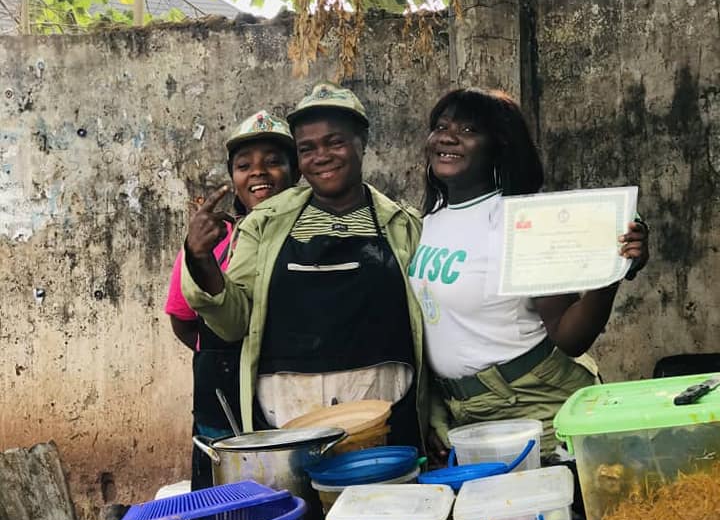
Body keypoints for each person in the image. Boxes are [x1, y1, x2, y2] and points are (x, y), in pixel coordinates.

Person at [409, 87, 649, 462]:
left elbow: (569, 337)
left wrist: (612, 272)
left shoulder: (522, 222)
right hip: (462, 412)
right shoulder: (424, 223)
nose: (447, 136)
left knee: (557, 516)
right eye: (440, 126)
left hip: (532, 399)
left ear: (499, 146)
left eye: (469, 130)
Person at [181, 83, 426, 448]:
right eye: (307, 148)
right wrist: (200, 260)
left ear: (362, 143)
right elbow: (234, 325)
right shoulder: (264, 225)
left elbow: (430, 325)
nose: (321, 156)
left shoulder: (402, 224)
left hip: (387, 414)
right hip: (288, 417)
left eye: (335, 142)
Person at [166, 110, 297, 488]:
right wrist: (227, 354)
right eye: (244, 165)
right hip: (221, 399)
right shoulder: (211, 238)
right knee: (225, 503)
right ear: (233, 178)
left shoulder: (308, 232)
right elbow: (181, 317)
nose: (258, 172)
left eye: (273, 161)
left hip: (285, 392)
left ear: (296, 171)